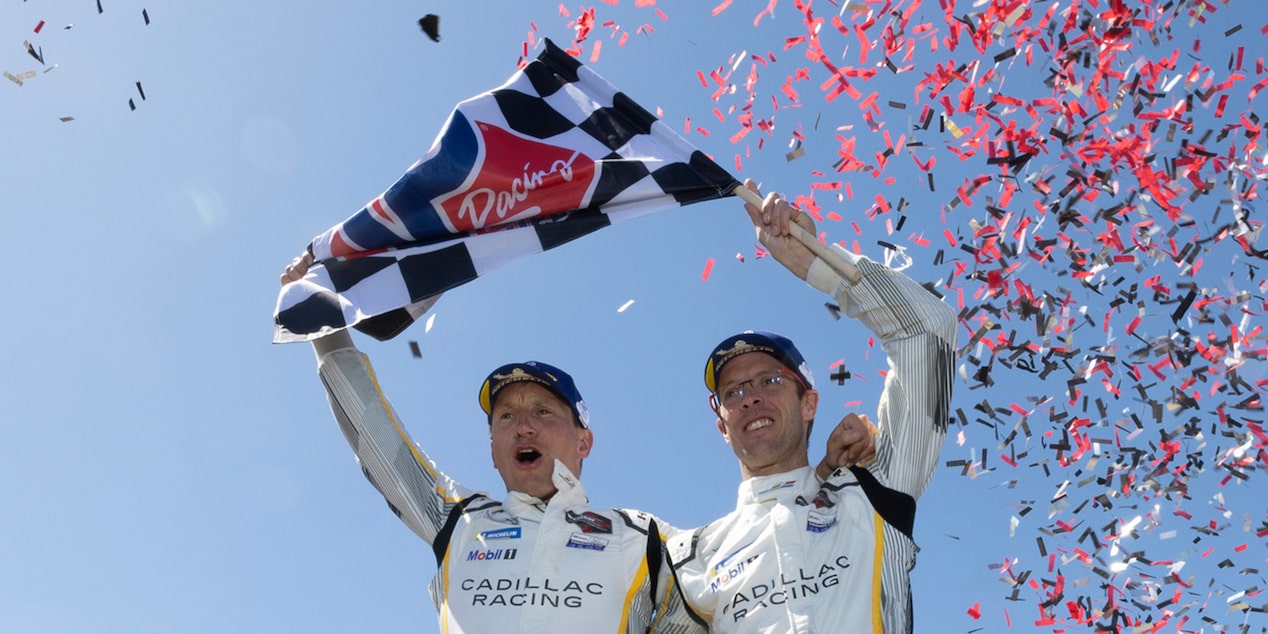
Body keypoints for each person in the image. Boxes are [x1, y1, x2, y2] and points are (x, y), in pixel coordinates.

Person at [278, 254, 878, 633]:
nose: (524, 425)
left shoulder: (643, 537)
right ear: (491, 446)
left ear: (583, 439)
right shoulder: (456, 520)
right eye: (506, 417)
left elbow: (758, 548)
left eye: (543, 410)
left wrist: (830, 471)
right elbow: (378, 442)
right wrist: (323, 333)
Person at [665, 180, 958, 633]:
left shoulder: (874, 492)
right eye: (732, 393)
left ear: (809, 403)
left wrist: (813, 261)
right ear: (722, 426)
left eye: (770, 380)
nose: (751, 397)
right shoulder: (690, 556)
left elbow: (929, 331)